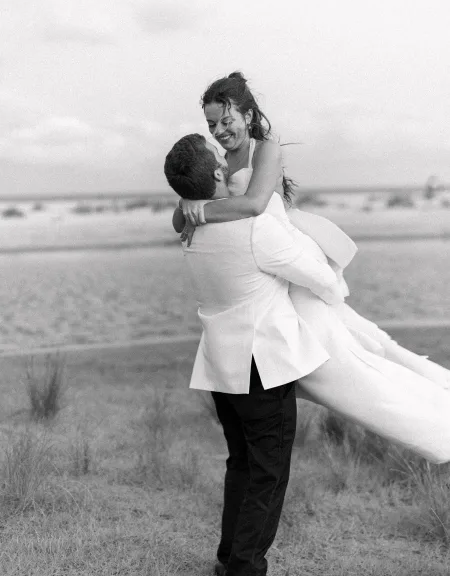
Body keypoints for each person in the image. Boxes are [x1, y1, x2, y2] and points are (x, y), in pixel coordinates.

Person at [173, 72, 450, 391]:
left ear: (247, 115)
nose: (218, 131)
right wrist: (186, 200)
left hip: (284, 250)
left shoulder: (265, 150)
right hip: (262, 264)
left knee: (343, 343)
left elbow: (254, 204)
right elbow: (182, 223)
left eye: (225, 121)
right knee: (327, 341)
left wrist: (201, 209)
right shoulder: (220, 159)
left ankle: (419, 388)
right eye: (211, 125)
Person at [164, 133, 345, 576]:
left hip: (222, 370)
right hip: (260, 370)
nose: (226, 165)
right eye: (217, 161)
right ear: (215, 174)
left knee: (242, 465)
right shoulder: (253, 227)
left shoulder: (190, 230)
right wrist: (333, 288)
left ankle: (229, 557)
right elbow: (319, 277)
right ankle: (244, 567)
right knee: (268, 473)